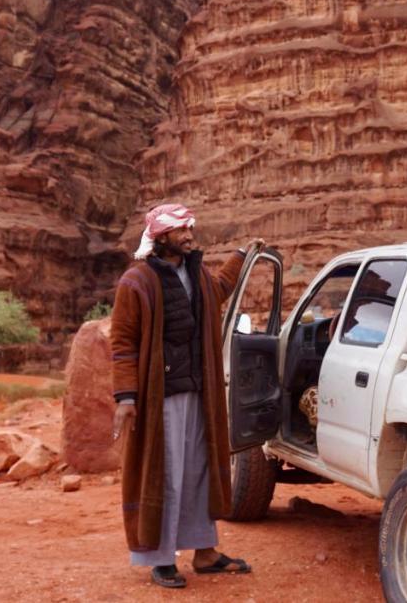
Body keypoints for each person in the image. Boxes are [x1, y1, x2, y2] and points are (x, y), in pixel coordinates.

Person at [109, 203, 263, 588]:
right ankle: (161, 558)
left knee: (198, 471)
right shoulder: (137, 281)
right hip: (160, 397)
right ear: (161, 238)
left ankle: (205, 552)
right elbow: (124, 344)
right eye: (181, 231)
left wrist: (241, 256)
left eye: (189, 229)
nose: (189, 236)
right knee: (167, 475)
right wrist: (126, 399)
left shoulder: (195, 273)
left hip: (197, 393)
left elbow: (221, 291)